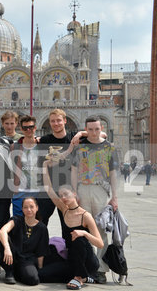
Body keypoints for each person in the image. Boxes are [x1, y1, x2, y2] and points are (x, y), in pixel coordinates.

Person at [41, 160, 103, 289]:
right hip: (72, 259)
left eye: (66, 194)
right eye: (61, 195)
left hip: (87, 260)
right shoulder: (64, 210)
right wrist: (44, 166)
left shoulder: (85, 215)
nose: (63, 197)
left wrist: (84, 233)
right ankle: (85, 276)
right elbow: (48, 188)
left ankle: (79, 277)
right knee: (41, 275)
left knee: (78, 239)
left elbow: (100, 243)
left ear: (74, 194)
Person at [71, 116, 118, 284]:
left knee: (101, 229)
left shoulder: (109, 148)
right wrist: (74, 192)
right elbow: (74, 171)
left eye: (96, 129)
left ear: (101, 128)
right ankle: (87, 266)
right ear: (86, 129)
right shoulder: (80, 147)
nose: (93, 132)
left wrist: (115, 197)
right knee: (84, 228)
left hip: (100, 190)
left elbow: (113, 174)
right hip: (83, 189)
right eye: (90, 129)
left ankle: (101, 269)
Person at [0, 197, 49, 285]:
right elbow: (2, 231)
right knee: (2, 238)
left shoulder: (42, 228)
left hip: (27, 260)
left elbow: (41, 252)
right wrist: (7, 248)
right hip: (11, 256)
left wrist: (40, 270)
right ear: (22, 209)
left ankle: (16, 272)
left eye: (31, 207)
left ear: (37, 208)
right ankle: (9, 271)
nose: (28, 209)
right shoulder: (17, 220)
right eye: (25, 207)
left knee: (33, 279)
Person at [12, 116, 40, 216]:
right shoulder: (15, 146)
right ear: (21, 129)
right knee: (18, 223)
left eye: (31, 127)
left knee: (37, 224)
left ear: (35, 128)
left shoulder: (41, 145)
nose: (28, 130)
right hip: (20, 191)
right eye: (25, 128)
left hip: (38, 191)